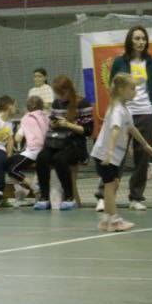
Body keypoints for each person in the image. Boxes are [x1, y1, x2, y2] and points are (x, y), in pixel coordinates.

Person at [94, 26, 152, 212]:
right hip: (124, 112)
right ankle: (104, 195)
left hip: (146, 113)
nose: (140, 42)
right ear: (130, 41)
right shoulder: (119, 62)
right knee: (116, 154)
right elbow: (113, 88)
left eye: (143, 39)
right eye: (137, 38)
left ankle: (136, 197)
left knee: (142, 157)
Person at [91, 74, 152, 232]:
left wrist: (145, 144)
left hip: (110, 155)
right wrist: (110, 152)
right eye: (132, 88)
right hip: (105, 155)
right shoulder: (117, 110)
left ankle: (106, 219)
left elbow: (131, 129)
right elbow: (115, 130)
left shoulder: (123, 108)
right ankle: (114, 221)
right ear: (121, 89)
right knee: (110, 186)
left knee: (113, 185)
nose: (135, 92)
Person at [33, 75, 94, 211]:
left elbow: (88, 131)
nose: (60, 96)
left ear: (69, 90)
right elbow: (52, 125)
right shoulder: (56, 103)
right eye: (57, 93)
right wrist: (54, 124)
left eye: (62, 93)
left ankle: (69, 197)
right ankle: (44, 197)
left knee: (60, 159)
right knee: (42, 157)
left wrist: (68, 124)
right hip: (57, 142)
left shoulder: (82, 103)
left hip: (75, 144)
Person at [9, 95, 48, 205]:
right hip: (47, 152)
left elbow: (17, 138)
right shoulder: (46, 116)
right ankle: (23, 191)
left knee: (11, 169)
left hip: (34, 152)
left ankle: (34, 188)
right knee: (10, 163)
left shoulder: (26, 118)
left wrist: (16, 132)